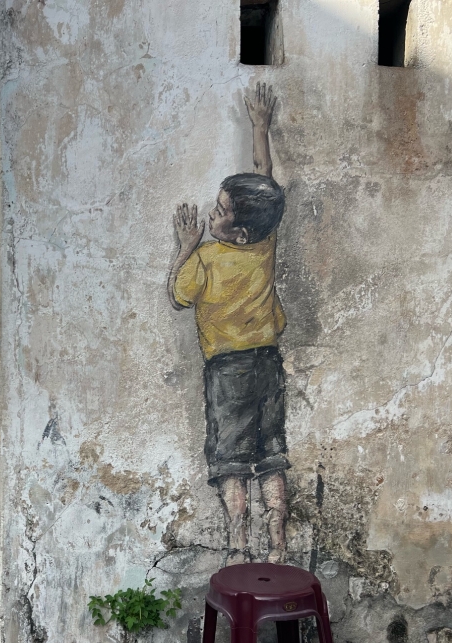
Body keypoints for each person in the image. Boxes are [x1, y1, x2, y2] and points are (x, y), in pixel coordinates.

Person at [167, 83, 289, 563]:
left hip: (227, 371)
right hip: (269, 363)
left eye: (218, 213)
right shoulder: (264, 241)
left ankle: (238, 546)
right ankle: (279, 547)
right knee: (272, 455)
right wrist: (260, 126)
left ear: (235, 230)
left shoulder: (207, 256)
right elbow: (266, 183)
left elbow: (179, 296)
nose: (211, 214)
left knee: (232, 463)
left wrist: (184, 245)